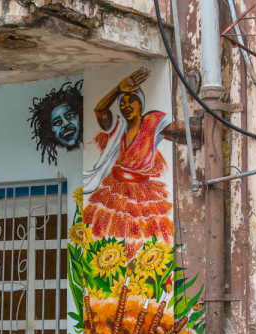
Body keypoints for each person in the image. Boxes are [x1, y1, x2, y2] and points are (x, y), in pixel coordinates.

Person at [83, 67, 194, 261]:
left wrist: (201, 130)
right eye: (123, 102)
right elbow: (100, 110)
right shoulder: (118, 128)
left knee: (140, 241)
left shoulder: (152, 123)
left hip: (142, 195)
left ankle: (135, 284)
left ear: (140, 105)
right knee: (111, 241)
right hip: (115, 191)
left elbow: (180, 131)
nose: (126, 105)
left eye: (131, 101)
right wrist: (118, 88)